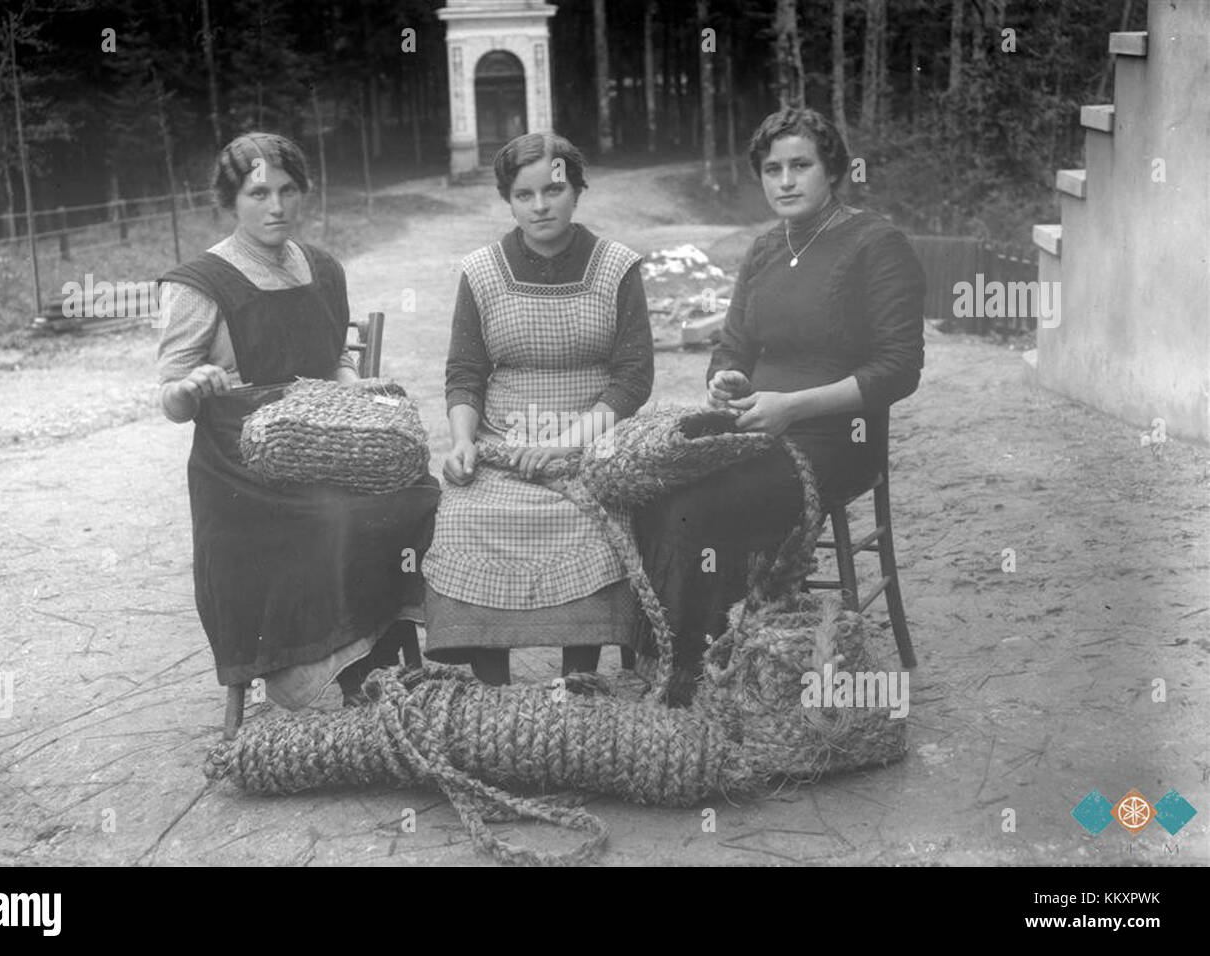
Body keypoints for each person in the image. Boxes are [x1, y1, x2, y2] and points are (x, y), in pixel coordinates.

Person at [633, 107, 926, 705]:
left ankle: (691, 669)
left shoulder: (876, 243)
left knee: (698, 503)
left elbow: (899, 370)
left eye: (801, 165)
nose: (785, 181)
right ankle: (676, 651)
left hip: (836, 439)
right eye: (772, 169)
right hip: (756, 426)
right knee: (649, 482)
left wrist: (793, 407)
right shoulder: (765, 248)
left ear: (833, 171)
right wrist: (727, 380)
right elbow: (732, 346)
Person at [156, 132, 439, 709]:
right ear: (230, 201)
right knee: (335, 516)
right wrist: (191, 385)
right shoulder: (199, 284)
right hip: (243, 472)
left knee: (416, 493)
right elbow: (172, 400)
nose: (276, 206)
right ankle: (354, 675)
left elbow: (332, 360)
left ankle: (385, 651)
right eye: (258, 192)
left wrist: (361, 396)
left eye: (288, 190)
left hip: (327, 445)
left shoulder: (323, 268)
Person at [422, 132, 654, 685]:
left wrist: (564, 443)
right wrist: (461, 440)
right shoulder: (480, 271)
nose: (541, 205)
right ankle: (492, 686)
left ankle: (576, 682)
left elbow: (632, 378)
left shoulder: (617, 266)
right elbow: (465, 374)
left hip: (591, 442)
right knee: (463, 512)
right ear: (508, 199)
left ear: (577, 190)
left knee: (594, 519)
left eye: (554, 189)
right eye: (524, 195)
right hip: (502, 442)